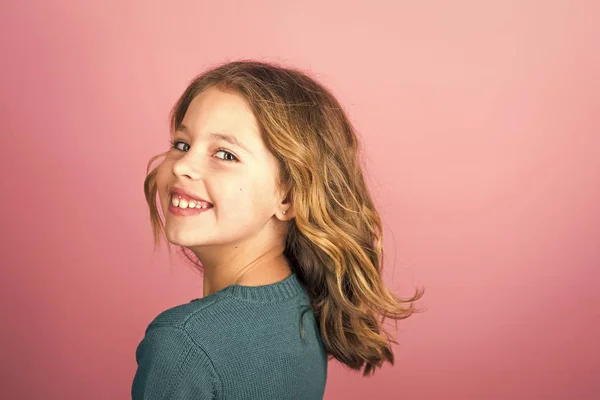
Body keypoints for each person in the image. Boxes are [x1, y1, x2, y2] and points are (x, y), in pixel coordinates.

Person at [132, 60, 425, 399]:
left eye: (225, 154)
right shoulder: (302, 305)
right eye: (182, 144)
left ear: (287, 197)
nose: (184, 166)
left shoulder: (183, 344)